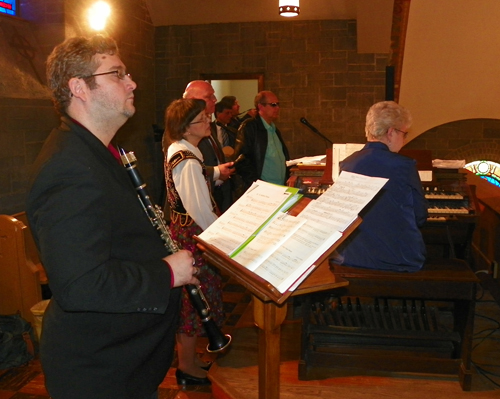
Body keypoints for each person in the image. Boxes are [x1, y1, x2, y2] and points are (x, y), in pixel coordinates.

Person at [25, 35, 198, 399]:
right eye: (117, 74)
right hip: (98, 371)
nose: (132, 82)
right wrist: (168, 272)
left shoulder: (101, 151)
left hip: (125, 360)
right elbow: (80, 284)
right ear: (79, 88)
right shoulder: (68, 167)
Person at [163, 98, 225, 386]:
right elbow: (198, 208)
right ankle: (186, 366)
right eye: (202, 119)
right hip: (193, 237)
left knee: (197, 300)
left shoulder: (185, 150)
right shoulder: (186, 159)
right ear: (186, 128)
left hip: (189, 234)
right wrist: (220, 236)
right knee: (192, 303)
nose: (208, 122)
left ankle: (192, 359)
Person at [335, 101, 428, 272]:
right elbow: (420, 216)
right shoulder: (404, 165)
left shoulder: (348, 164)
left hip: (353, 256)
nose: (404, 140)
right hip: (395, 259)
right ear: (391, 132)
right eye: (404, 134)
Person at [184, 80, 234, 213]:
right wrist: (217, 171)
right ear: (192, 100)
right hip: (198, 200)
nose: (215, 100)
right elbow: (184, 166)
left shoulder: (209, 124)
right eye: (209, 96)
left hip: (219, 193)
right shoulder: (180, 129)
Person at [236, 90, 290, 191]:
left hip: (280, 187)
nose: (277, 108)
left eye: (278, 104)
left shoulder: (274, 129)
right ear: (261, 106)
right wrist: (257, 185)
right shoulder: (250, 127)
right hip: (263, 189)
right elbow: (242, 161)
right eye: (273, 105)